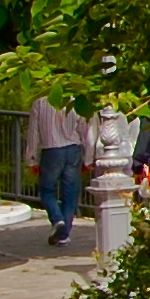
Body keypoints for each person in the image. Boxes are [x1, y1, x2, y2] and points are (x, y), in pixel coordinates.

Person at [24, 96, 88, 246]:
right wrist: (88, 157)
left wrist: (31, 158)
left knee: (46, 189)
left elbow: (33, 131)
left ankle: (57, 219)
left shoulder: (40, 102)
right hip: (73, 148)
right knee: (70, 192)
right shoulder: (75, 99)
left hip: (51, 149)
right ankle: (64, 233)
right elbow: (84, 129)